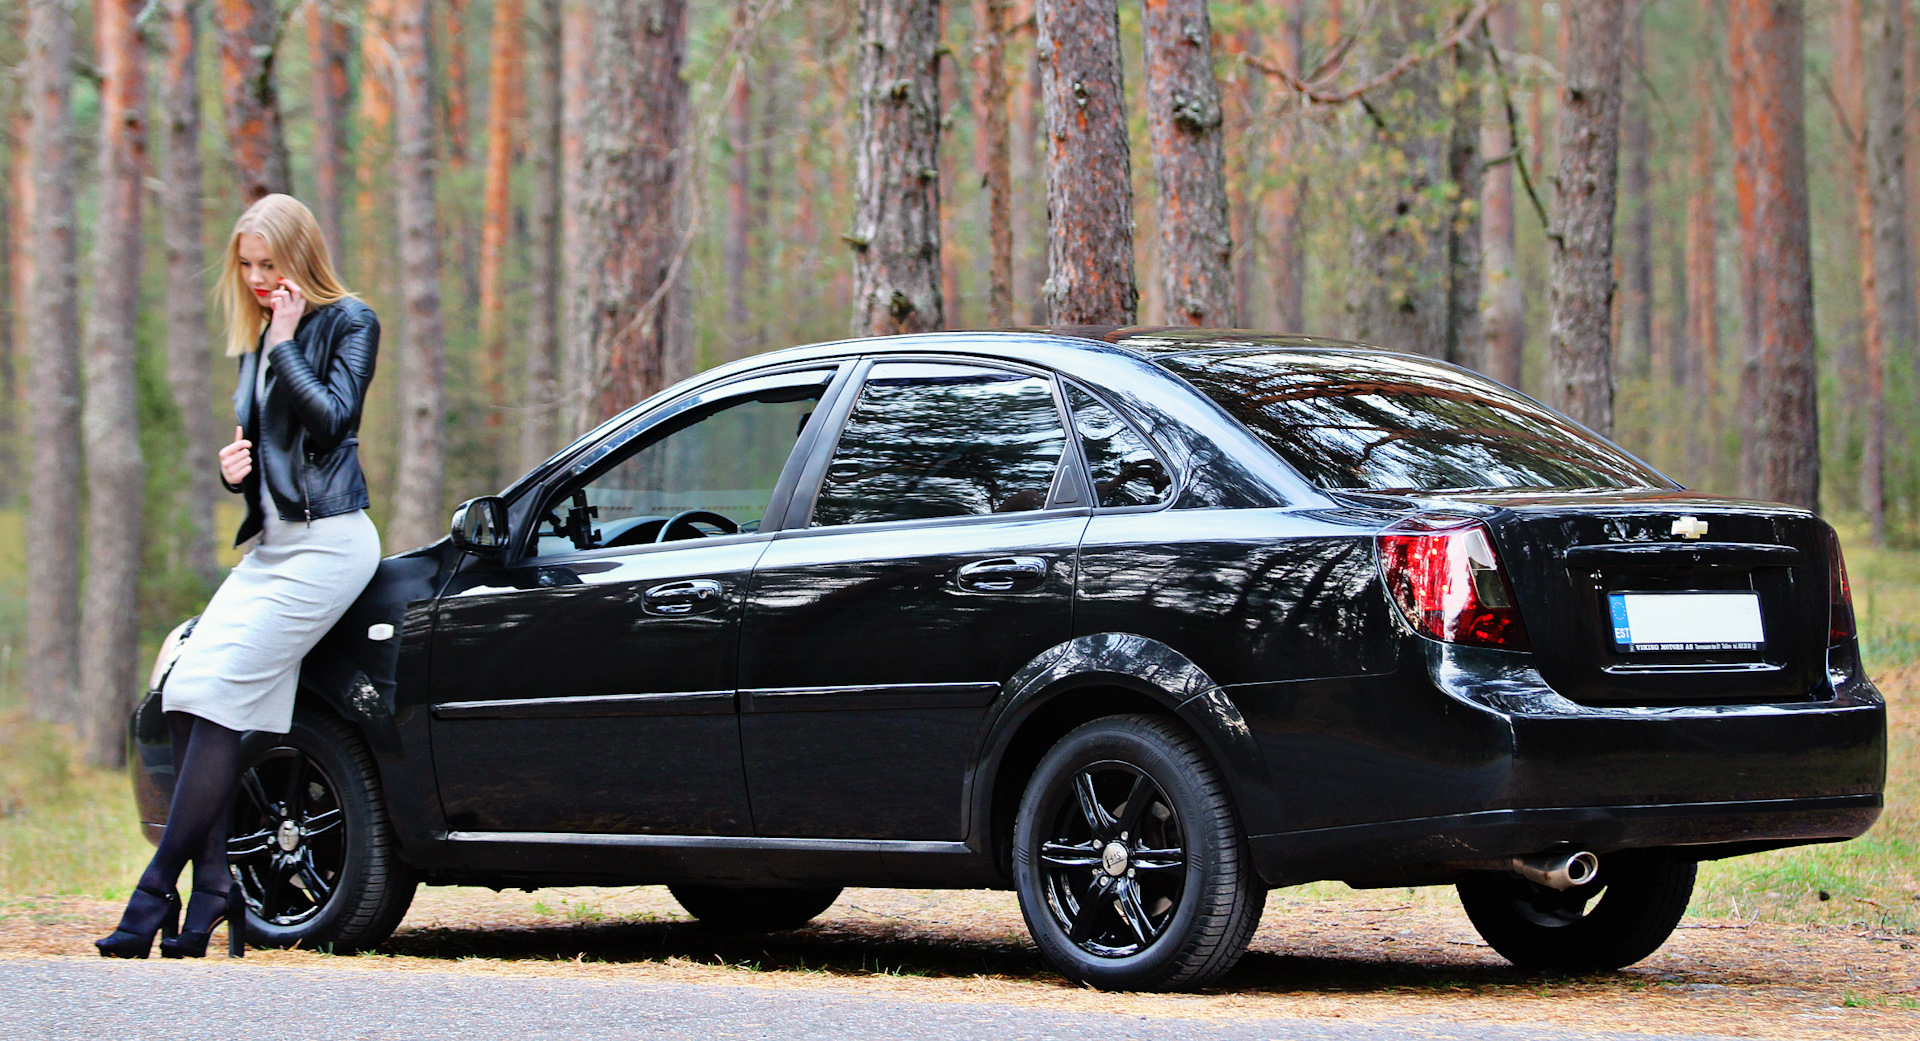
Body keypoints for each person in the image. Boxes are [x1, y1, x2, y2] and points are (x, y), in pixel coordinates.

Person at [95, 194, 382, 958]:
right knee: (188, 689)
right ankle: (217, 883)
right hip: (271, 550)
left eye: (270, 264)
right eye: (247, 267)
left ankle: (156, 885)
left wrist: (285, 342)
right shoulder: (257, 336)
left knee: (217, 696)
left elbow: (332, 420)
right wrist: (236, 472)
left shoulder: (349, 321)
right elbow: (273, 453)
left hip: (329, 547)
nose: (258, 280)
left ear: (301, 256)